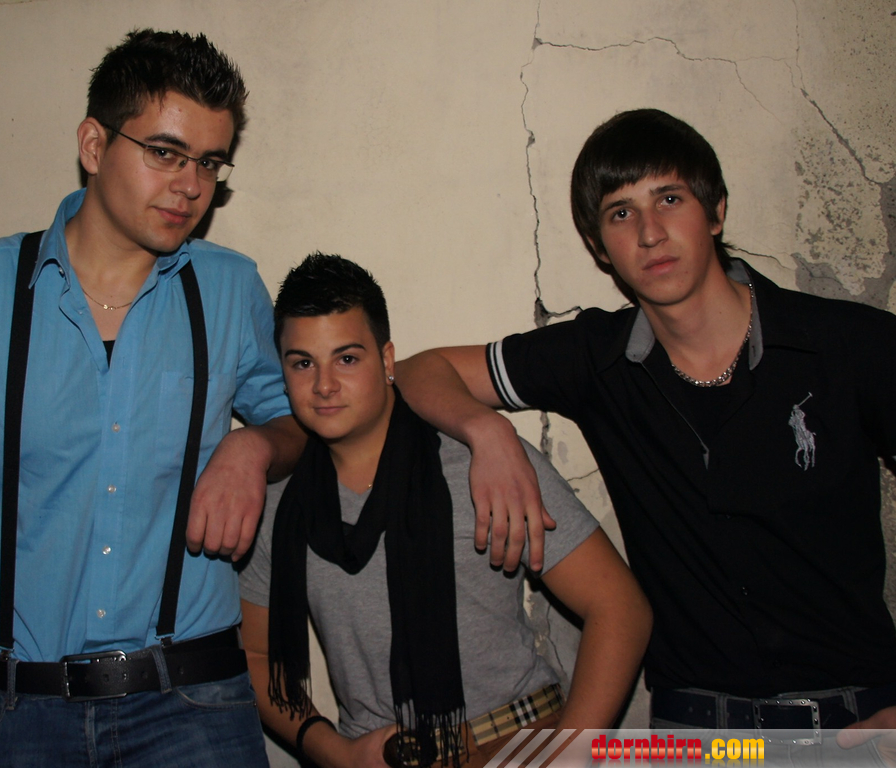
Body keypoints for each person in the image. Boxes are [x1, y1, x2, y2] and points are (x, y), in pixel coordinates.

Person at [0, 29, 309, 768]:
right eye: (165, 152)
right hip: (21, 709)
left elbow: (300, 417)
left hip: (196, 704)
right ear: (93, 144)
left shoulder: (229, 288)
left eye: (209, 162)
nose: (190, 186)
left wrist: (255, 444)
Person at [396, 109, 896, 751]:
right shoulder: (597, 359)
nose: (651, 233)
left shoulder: (849, 346)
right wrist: (485, 433)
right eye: (621, 212)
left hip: (856, 725)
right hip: (696, 734)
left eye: (669, 199)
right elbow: (417, 371)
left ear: (715, 211)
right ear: (600, 247)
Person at [238, 253, 651, 768]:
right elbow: (256, 655)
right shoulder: (278, 506)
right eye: (303, 363)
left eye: (346, 359)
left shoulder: (484, 466)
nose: (324, 385)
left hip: (516, 738)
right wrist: (335, 752)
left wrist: (570, 754)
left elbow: (620, 606)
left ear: (387, 360)